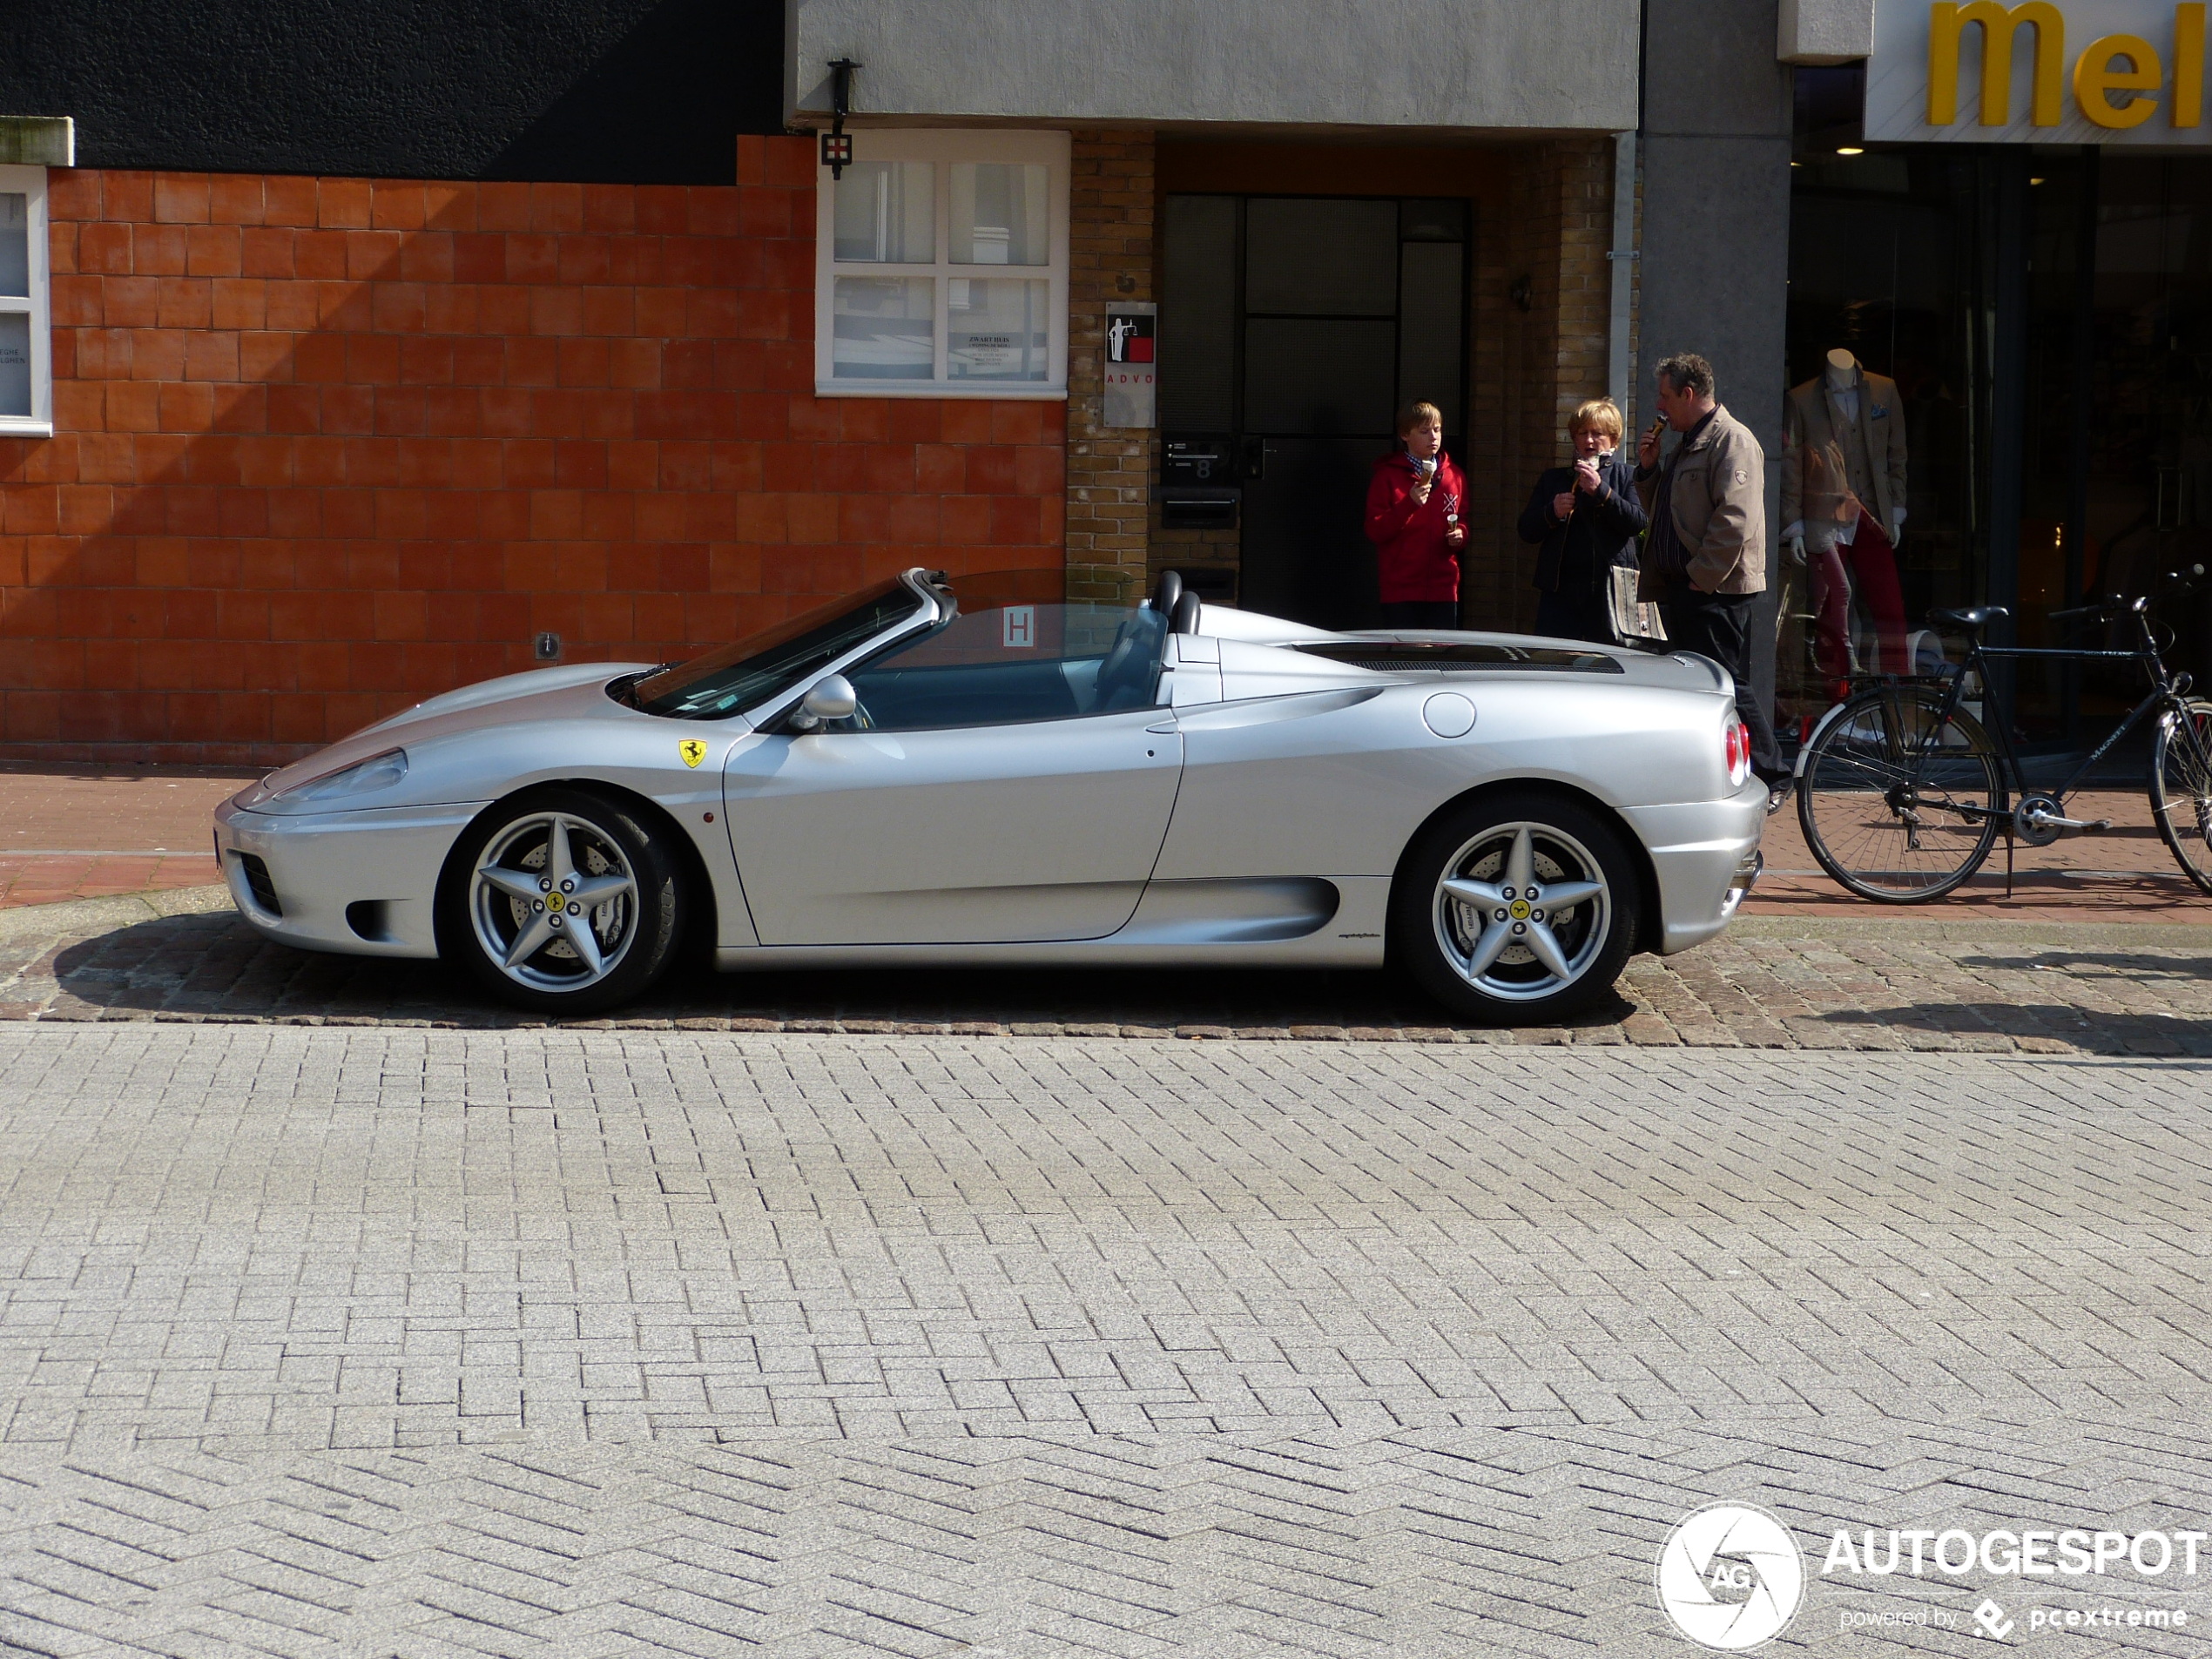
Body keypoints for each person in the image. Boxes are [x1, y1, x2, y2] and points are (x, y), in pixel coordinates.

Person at [1633, 352, 1789, 809]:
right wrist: (1648, 469)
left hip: (1714, 589)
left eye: (1665, 395)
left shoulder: (1732, 441)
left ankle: (1773, 772)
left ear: (1688, 393)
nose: (1659, 407)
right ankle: (1719, 769)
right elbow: (1666, 508)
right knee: (1701, 683)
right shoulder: (1687, 440)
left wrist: (1701, 577)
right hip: (1685, 586)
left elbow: (1735, 520)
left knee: (1726, 681)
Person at [1779, 348, 1909, 700]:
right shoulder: (1802, 399)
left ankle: (1902, 700)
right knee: (1831, 611)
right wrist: (1795, 524)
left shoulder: (1884, 390)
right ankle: (1835, 698)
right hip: (1826, 515)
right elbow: (1791, 464)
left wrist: (1896, 508)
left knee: (1890, 609)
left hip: (1873, 514)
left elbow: (1897, 453)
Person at [1516, 397, 1646, 644]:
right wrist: (1551, 512)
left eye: (1597, 434)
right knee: (1555, 664)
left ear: (1613, 440)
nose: (1589, 440)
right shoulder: (1554, 479)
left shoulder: (1627, 476)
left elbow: (1637, 522)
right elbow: (1526, 531)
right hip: (1561, 595)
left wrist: (1602, 493)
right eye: (1582, 433)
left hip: (1611, 593)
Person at [1366, 401, 1468, 628]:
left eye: (1437, 429)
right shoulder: (1387, 477)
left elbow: (1462, 519)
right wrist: (1408, 504)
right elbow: (1375, 530)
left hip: (1443, 587)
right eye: (1424, 431)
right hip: (1401, 588)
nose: (1433, 437)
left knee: (1441, 655)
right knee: (1405, 657)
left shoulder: (1455, 476)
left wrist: (1460, 535)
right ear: (1405, 435)